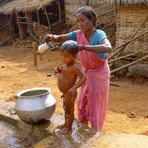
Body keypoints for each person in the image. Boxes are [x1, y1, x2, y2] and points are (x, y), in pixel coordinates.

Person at [42, 6, 112, 132]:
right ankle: (83, 130)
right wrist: (52, 37)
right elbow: (60, 38)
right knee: (82, 102)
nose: (80, 24)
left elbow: (108, 48)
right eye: (78, 21)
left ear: (91, 20)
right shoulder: (77, 35)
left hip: (99, 73)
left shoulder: (99, 34)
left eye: (83, 20)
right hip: (87, 71)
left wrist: (84, 47)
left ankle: (96, 132)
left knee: (95, 104)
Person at [55, 40, 86, 135]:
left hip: (70, 93)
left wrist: (74, 88)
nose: (63, 58)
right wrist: (58, 70)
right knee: (65, 108)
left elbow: (84, 78)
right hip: (65, 93)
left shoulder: (75, 66)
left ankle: (68, 128)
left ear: (75, 55)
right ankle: (66, 123)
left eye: (66, 56)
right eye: (62, 56)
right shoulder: (65, 64)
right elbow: (64, 72)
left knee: (70, 110)